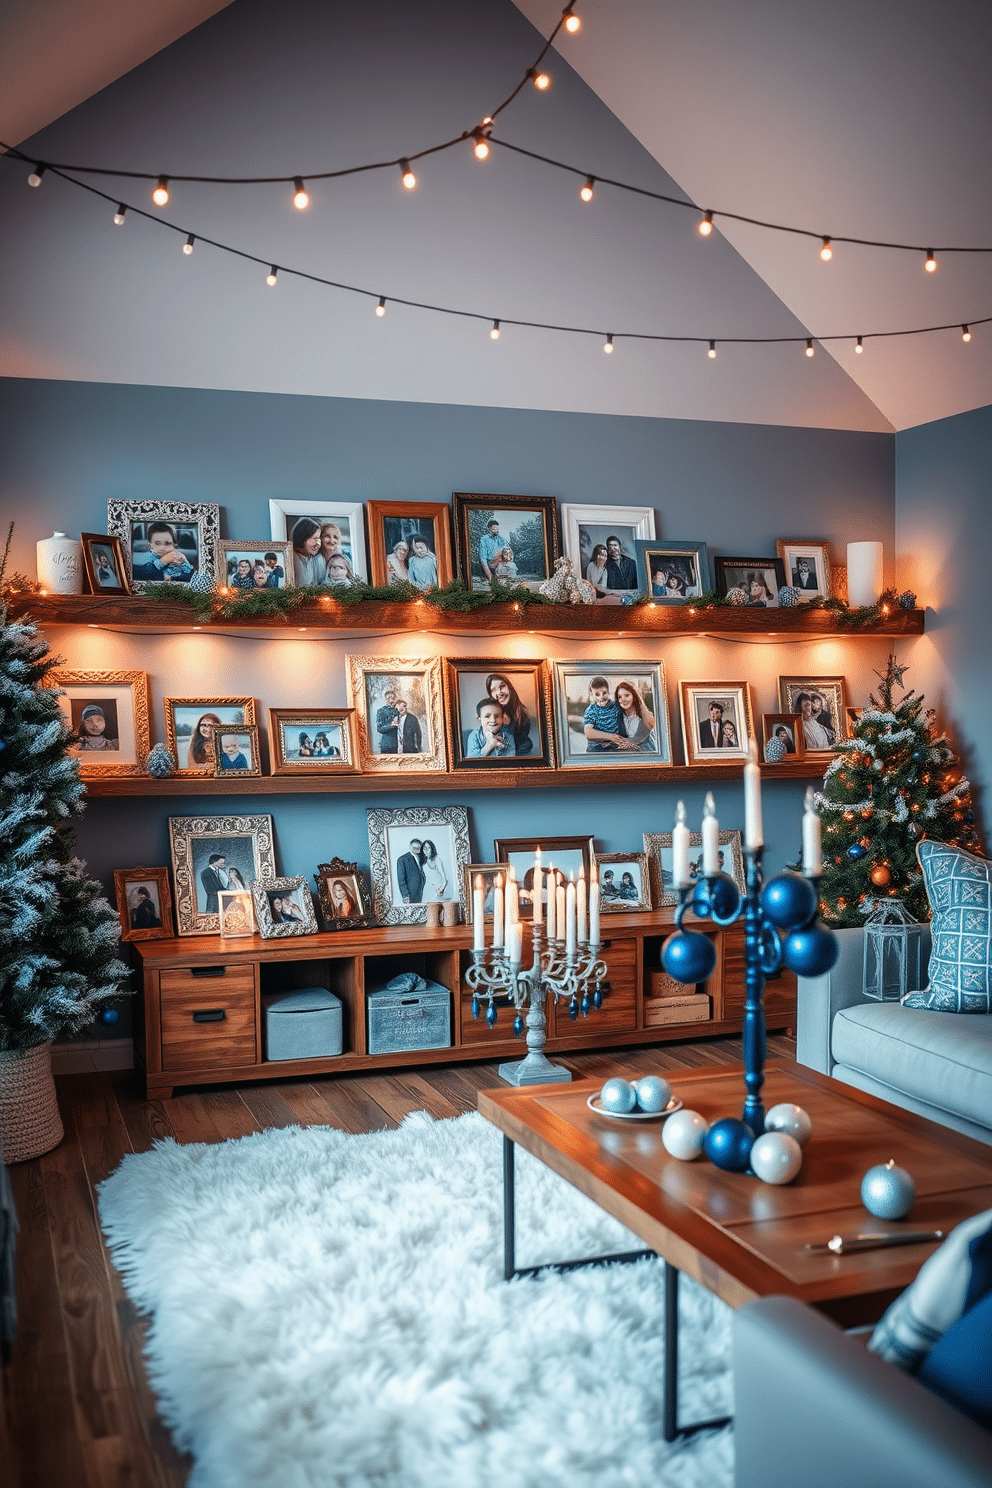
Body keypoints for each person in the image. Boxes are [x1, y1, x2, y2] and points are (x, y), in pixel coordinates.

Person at [583, 676, 638, 752]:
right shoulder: (591, 710)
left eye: (604, 693)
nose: (601, 697)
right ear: (592, 695)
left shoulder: (615, 706)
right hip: (597, 745)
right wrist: (611, 737)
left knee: (632, 750)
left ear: (608, 692)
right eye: (597, 694)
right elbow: (589, 733)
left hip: (614, 744)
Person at [485, 673, 534, 755]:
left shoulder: (522, 713)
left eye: (502, 686)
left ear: (509, 687)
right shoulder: (489, 714)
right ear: (491, 695)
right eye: (493, 690)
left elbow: (525, 744)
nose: (499, 692)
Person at [615, 681, 656, 751]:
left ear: (634, 697)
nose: (623, 700)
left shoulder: (644, 718)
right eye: (620, 697)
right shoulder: (618, 717)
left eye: (627, 695)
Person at [291, 518, 326, 585]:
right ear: (303, 539)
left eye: (319, 538)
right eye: (315, 538)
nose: (318, 543)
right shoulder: (291, 558)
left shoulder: (319, 559)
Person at [396, 839, 425, 904]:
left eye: (418, 848)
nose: (416, 849)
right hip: (410, 894)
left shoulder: (421, 857)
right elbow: (401, 879)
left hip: (422, 892)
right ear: (410, 847)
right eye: (414, 847)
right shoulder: (402, 859)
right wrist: (405, 895)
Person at [478, 519, 504, 584]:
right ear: (489, 528)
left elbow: (507, 552)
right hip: (490, 564)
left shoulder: (501, 539)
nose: (496, 530)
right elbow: (482, 558)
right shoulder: (484, 539)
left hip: (500, 564)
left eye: (497, 528)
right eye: (494, 528)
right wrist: (489, 574)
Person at [376, 688, 400, 753]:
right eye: (388, 698)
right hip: (387, 745)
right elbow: (379, 729)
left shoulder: (400, 709)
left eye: (393, 698)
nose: (391, 700)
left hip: (400, 745)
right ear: (385, 699)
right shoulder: (381, 711)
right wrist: (391, 725)